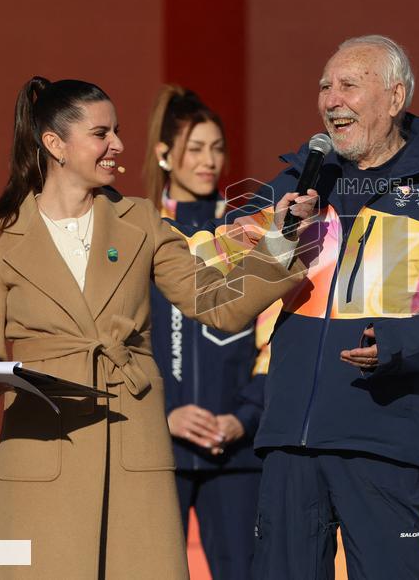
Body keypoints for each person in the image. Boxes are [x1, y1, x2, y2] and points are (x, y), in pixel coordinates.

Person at [0, 76, 317, 579]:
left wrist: (280, 241)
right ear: (55, 145)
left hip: (133, 452)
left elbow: (217, 302)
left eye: (117, 131)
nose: (119, 145)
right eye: (102, 133)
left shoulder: (140, 221)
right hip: (41, 457)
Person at [196, 35, 419, 579]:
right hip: (289, 440)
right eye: (324, 86)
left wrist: (397, 345)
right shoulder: (294, 184)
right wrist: (282, 234)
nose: (331, 99)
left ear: (395, 96)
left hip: (384, 440)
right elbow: (218, 283)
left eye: (349, 86)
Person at [143, 85, 274, 580]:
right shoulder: (140, 229)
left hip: (236, 454)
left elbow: (273, 334)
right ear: (162, 154)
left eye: (217, 148)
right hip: (159, 454)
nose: (209, 161)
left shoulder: (247, 227)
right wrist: (164, 414)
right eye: (195, 149)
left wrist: (247, 415)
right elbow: (126, 340)